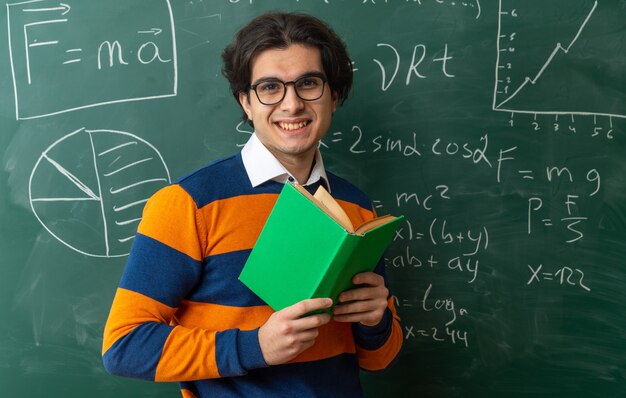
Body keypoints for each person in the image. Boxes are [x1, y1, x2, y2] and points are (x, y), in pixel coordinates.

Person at [102, 11, 402, 397]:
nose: (291, 104)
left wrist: (375, 321)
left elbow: (381, 359)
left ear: (334, 95)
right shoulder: (189, 204)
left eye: (308, 83)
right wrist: (255, 346)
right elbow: (124, 347)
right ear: (246, 101)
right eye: (269, 87)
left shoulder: (355, 207)